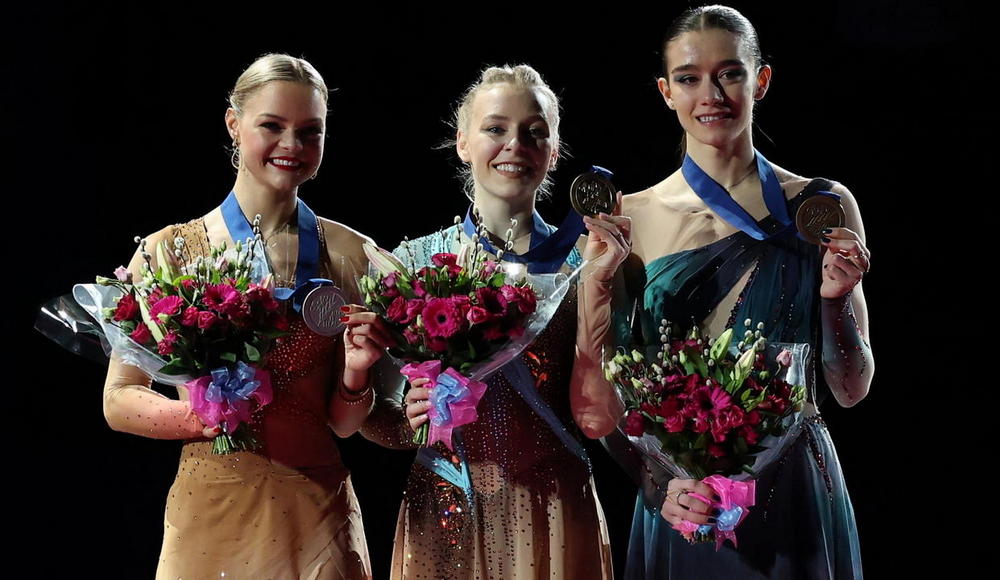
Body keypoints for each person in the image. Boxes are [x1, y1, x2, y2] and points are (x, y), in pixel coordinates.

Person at [102, 53, 389, 579]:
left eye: (309, 132)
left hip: (318, 509)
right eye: (272, 126)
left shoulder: (353, 252)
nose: (291, 146)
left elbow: (346, 426)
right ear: (233, 124)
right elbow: (118, 401)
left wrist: (356, 374)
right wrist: (198, 416)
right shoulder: (169, 252)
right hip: (211, 513)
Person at [616, 5, 872, 578]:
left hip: (793, 488)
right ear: (665, 91)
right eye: (689, 78)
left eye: (729, 73)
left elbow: (851, 388)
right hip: (684, 493)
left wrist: (833, 301)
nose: (711, 94)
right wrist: (659, 484)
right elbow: (609, 394)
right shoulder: (629, 219)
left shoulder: (821, 207)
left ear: (761, 79)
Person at [361, 64, 629, 579]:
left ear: (553, 153)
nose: (515, 145)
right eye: (495, 129)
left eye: (534, 133)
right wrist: (409, 419)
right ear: (462, 142)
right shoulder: (414, 263)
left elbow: (603, 415)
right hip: (445, 504)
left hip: (554, 502)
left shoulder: (589, 262)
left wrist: (599, 281)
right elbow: (375, 418)